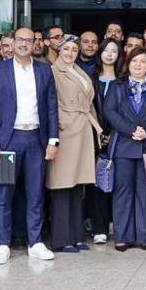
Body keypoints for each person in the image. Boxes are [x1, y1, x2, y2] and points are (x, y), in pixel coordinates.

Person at [0, 26, 60, 264]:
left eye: (29, 40)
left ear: (35, 44)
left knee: (35, 193)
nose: (24, 44)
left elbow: (51, 106)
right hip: (8, 139)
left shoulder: (44, 70)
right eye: (20, 40)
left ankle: (35, 242)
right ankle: (3, 244)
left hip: (36, 138)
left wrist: (53, 140)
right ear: (13, 42)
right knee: (4, 194)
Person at [103, 48, 146, 251]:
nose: (138, 65)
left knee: (145, 193)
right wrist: (131, 130)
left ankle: (143, 236)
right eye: (134, 61)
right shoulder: (117, 86)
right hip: (123, 147)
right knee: (123, 192)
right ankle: (122, 237)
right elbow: (109, 112)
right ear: (128, 64)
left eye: (143, 61)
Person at [49, 35, 100, 253]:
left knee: (78, 185)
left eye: (74, 50)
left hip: (83, 131)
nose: (70, 53)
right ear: (59, 50)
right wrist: (64, 123)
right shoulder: (53, 71)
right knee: (62, 184)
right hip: (67, 133)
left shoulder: (78, 70)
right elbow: (50, 103)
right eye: (66, 49)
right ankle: (62, 238)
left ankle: (77, 235)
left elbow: (88, 102)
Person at [89, 38, 121, 244]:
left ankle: (117, 224)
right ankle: (99, 228)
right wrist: (99, 132)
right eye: (106, 50)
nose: (109, 54)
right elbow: (86, 107)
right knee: (99, 182)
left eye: (114, 51)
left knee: (119, 182)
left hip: (120, 137)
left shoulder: (124, 79)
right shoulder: (90, 78)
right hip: (94, 137)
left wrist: (114, 132)